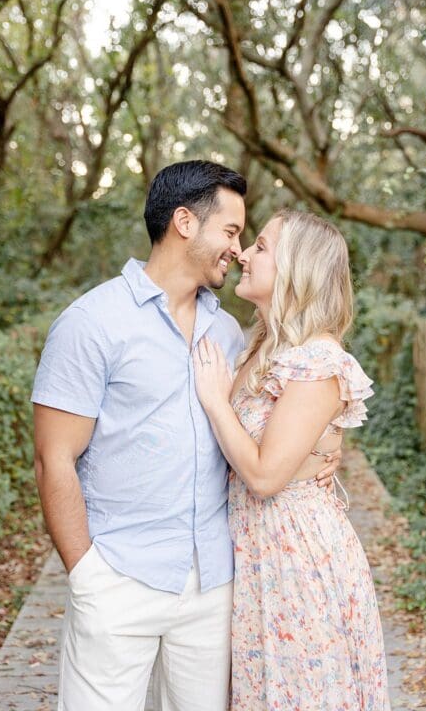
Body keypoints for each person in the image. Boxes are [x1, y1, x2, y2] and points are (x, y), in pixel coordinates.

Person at [31, 160, 338, 710]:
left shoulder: (229, 332)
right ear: (184, 223)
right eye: (231, 231)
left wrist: (322, 454)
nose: (238, 250)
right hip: (118, 577)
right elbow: (53, 458)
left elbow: (284, 415)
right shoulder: (91, 323)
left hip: (213, 585)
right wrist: (86, 574)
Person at [191, 209, 390, 710]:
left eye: (260, 246)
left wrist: (215, 401)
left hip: (298, 560)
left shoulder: (318, 360)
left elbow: (264, 476)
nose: (243, 254)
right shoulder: (262, 345)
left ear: (297, 269)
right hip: (258, 554)